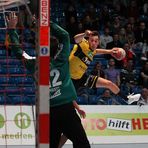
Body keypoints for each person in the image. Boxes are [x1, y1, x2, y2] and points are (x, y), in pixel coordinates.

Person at [7, 12, 90, 148]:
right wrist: (44, 23)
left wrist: (11, 29)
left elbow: (18, 51)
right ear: (57, 49)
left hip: (47, 112)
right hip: (66, 110)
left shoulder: (34, 64)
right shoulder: (61, 60)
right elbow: (64, 36)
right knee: (82, 144)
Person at [69, 30, 120, 94]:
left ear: (98, 42)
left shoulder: (92, 51)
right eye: (92, 40)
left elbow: (96, 51)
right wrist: (84, 34)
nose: (93, 43)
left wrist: (110, 51)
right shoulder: (83, 44)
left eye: (96, 41)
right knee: (69, 101)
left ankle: (127, 98)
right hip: (68, 78)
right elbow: (76, 38)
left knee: (109, 84)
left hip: (81, 78)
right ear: (88, 40)